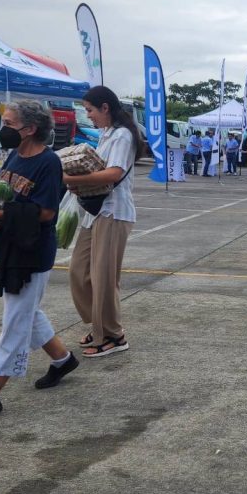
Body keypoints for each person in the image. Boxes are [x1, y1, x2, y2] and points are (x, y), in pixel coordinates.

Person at [0, 100, 76, 428]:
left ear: (29, 129)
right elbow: (6, 197)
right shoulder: (13, 156)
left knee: (15, 323)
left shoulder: (48, 162)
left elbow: (45, 213)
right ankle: (63, 360)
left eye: (10, 123)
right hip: (10, 244)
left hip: (32, 252)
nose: (4, 129)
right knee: (26, 310)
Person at [65, 85, 140, 358]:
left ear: (105, 108)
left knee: (104, 278)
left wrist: (71, 180)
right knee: (79, 271)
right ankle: (99, 325)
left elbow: (113, 174)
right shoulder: (106, 134)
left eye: (90, 110)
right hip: (95, 212)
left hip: (113, 213)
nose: (89, 116)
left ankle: (113, 334)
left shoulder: (121, 136)